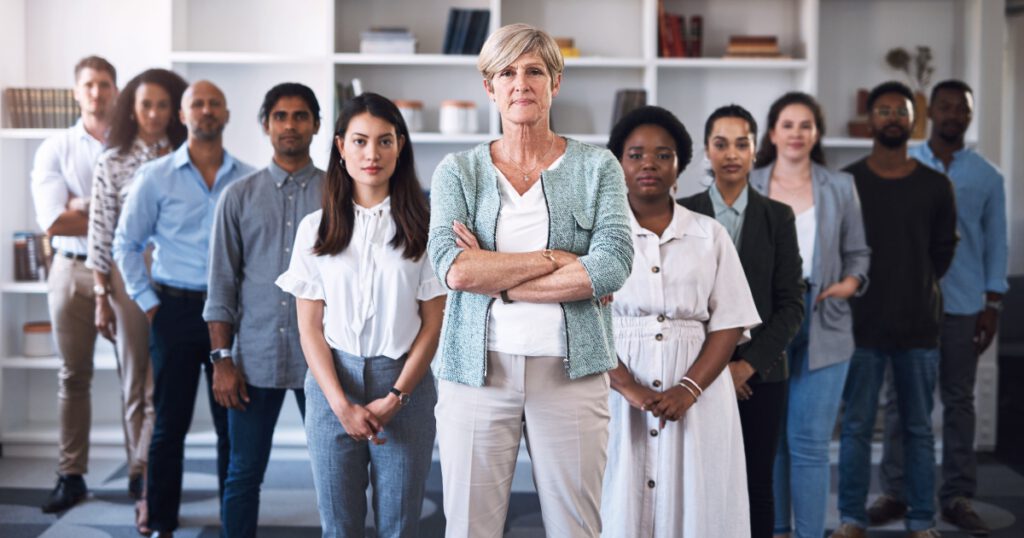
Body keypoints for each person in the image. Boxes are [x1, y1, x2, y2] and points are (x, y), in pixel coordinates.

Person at [427, 23, 634, 537]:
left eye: (535, 71)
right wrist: (559, 259)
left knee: (576, 528)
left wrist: (495, 277)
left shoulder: (597, 166)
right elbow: (454, 267)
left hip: (572, 372)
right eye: (507, 72)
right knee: (470, 528)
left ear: (555, 83)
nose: (521, 83)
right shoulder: (457, 171)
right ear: (489, 87)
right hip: (476, 373)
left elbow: (611, 264)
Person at [276, 92, 444, 537]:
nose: (372, 154)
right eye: (360, 141)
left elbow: (433, 324)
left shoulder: (424, 225)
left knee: (400, 524)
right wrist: (339, 405)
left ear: (400, 147)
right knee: (339, 525)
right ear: (340, 147)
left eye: (385, 141)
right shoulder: (315, 228)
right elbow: (308, 327)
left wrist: (397, 396)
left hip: (403, 384)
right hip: (333, 383)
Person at [601, 105, 761, 537]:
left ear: (681, 167)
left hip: (699, 391)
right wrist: (627, 385)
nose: (648, 163)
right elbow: (582, 320)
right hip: (616, 392)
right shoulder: (597, 236)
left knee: (697, 505)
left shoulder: (710, 235)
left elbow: (728, 322)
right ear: (618, 163)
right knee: (617, 496)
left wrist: (688, 389)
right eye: (635, 154)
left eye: (663, 154)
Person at [113, 80, 255, 535]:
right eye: (198, 103)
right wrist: (151, 306)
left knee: (230, 425)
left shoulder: (248, 179)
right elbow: (126, 244)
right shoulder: (155, 177)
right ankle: (160, 519)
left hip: (230, 317)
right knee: (168, 426)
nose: (207, 110)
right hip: (172, 310)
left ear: (227, 114)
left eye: (215, 103)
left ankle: (232, 519)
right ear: (183, 114)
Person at [870, 79, 1008, 537]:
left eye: (961, 109)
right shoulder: (903, 167)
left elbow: (995, 244)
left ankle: (957, 495)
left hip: (964, 304)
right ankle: (895, 492)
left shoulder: (988, 177)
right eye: (944, 106)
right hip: (907, 303)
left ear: (969, 116)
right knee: (900, 398)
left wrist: (992, 304)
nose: (952, 114)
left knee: (958, 400)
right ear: (929, 115)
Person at [830, 81, 957, 538]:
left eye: (900, 112)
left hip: (919, 327)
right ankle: (851, 518)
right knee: (858, 428)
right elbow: (838, 252)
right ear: (870, 122)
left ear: (912, 122)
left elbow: (942, 253)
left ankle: (922, 521)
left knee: (921, 430)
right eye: (882, 110)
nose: (891, 118)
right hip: (859, 328)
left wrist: (913, 283)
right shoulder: (847, 183)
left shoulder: (936, 186)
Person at [678, 104, 805, 538]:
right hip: (694, 373)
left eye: (741, 143)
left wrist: (745, 367)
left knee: (757, 484)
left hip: (762, 376)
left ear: (755, 151)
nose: (731, 153)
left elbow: (791, 305)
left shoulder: (777, 217)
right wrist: (714, 371)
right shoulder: (682, 213)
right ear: (706, 152)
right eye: (720, 143)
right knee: (699, 482)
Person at [747, 92, 870, 538]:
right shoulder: (749, 182)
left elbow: (859, 253)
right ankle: (777, 530)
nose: (796, 133)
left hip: (825, 321)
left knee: (810, 444)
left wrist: (851, 284)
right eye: (788, 124)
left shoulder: (839, 186)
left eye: (806, 125)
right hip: (764, 328)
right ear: (773, 132)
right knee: (772, 443)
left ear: (816, 133)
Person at [205, 82, 324, 537]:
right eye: (280, 116)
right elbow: (221, 286)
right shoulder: (237, 197)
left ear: (315, 124)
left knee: (339, 474)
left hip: (324, 364)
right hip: (252, 362)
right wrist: (222, 360)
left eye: (299, 116)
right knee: (243, 473)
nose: (290, 125)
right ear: (265, 125)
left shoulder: (341, 194)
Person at [86, 67, 187, 531]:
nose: (153, 114)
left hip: (179, 279)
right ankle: (139, 472)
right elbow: (101, 232)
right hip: (129, 278)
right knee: (135, 382)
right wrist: (102, 295)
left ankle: (154, 477)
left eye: (163, 105)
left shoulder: (192, 156)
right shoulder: (112, 161)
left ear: (176, 110)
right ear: (132, 108)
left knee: (162, 387)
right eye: (145, 105)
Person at [31, 55, 118, 513]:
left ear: (116, 90)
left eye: (105, 84)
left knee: (140, 380)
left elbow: (139, 216)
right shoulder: (55, 147)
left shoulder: (133, 146)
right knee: (73, 376)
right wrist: (105, 205)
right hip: (70, 270)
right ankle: (71, 475)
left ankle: (143, 475)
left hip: (124, 272)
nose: (97, 93)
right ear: (76, 92)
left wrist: (84, 204)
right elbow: (53, 222)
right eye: (89, 85)